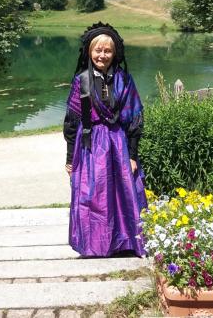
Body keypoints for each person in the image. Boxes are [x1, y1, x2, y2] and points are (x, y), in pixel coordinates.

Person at [63, 22, 147, 257]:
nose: (102, 55)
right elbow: (71, 122)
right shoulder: (82, 81)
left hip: (117, 143)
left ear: (115, 53)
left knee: (123, 193)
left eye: (107, 51)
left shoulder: (124, 80)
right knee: (93, 196)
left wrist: (132, 155)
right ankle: (96, 245)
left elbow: (134, 120)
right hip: (90, 145)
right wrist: (70, 159)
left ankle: (125, 242)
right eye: (97, 50)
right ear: (89, 52)